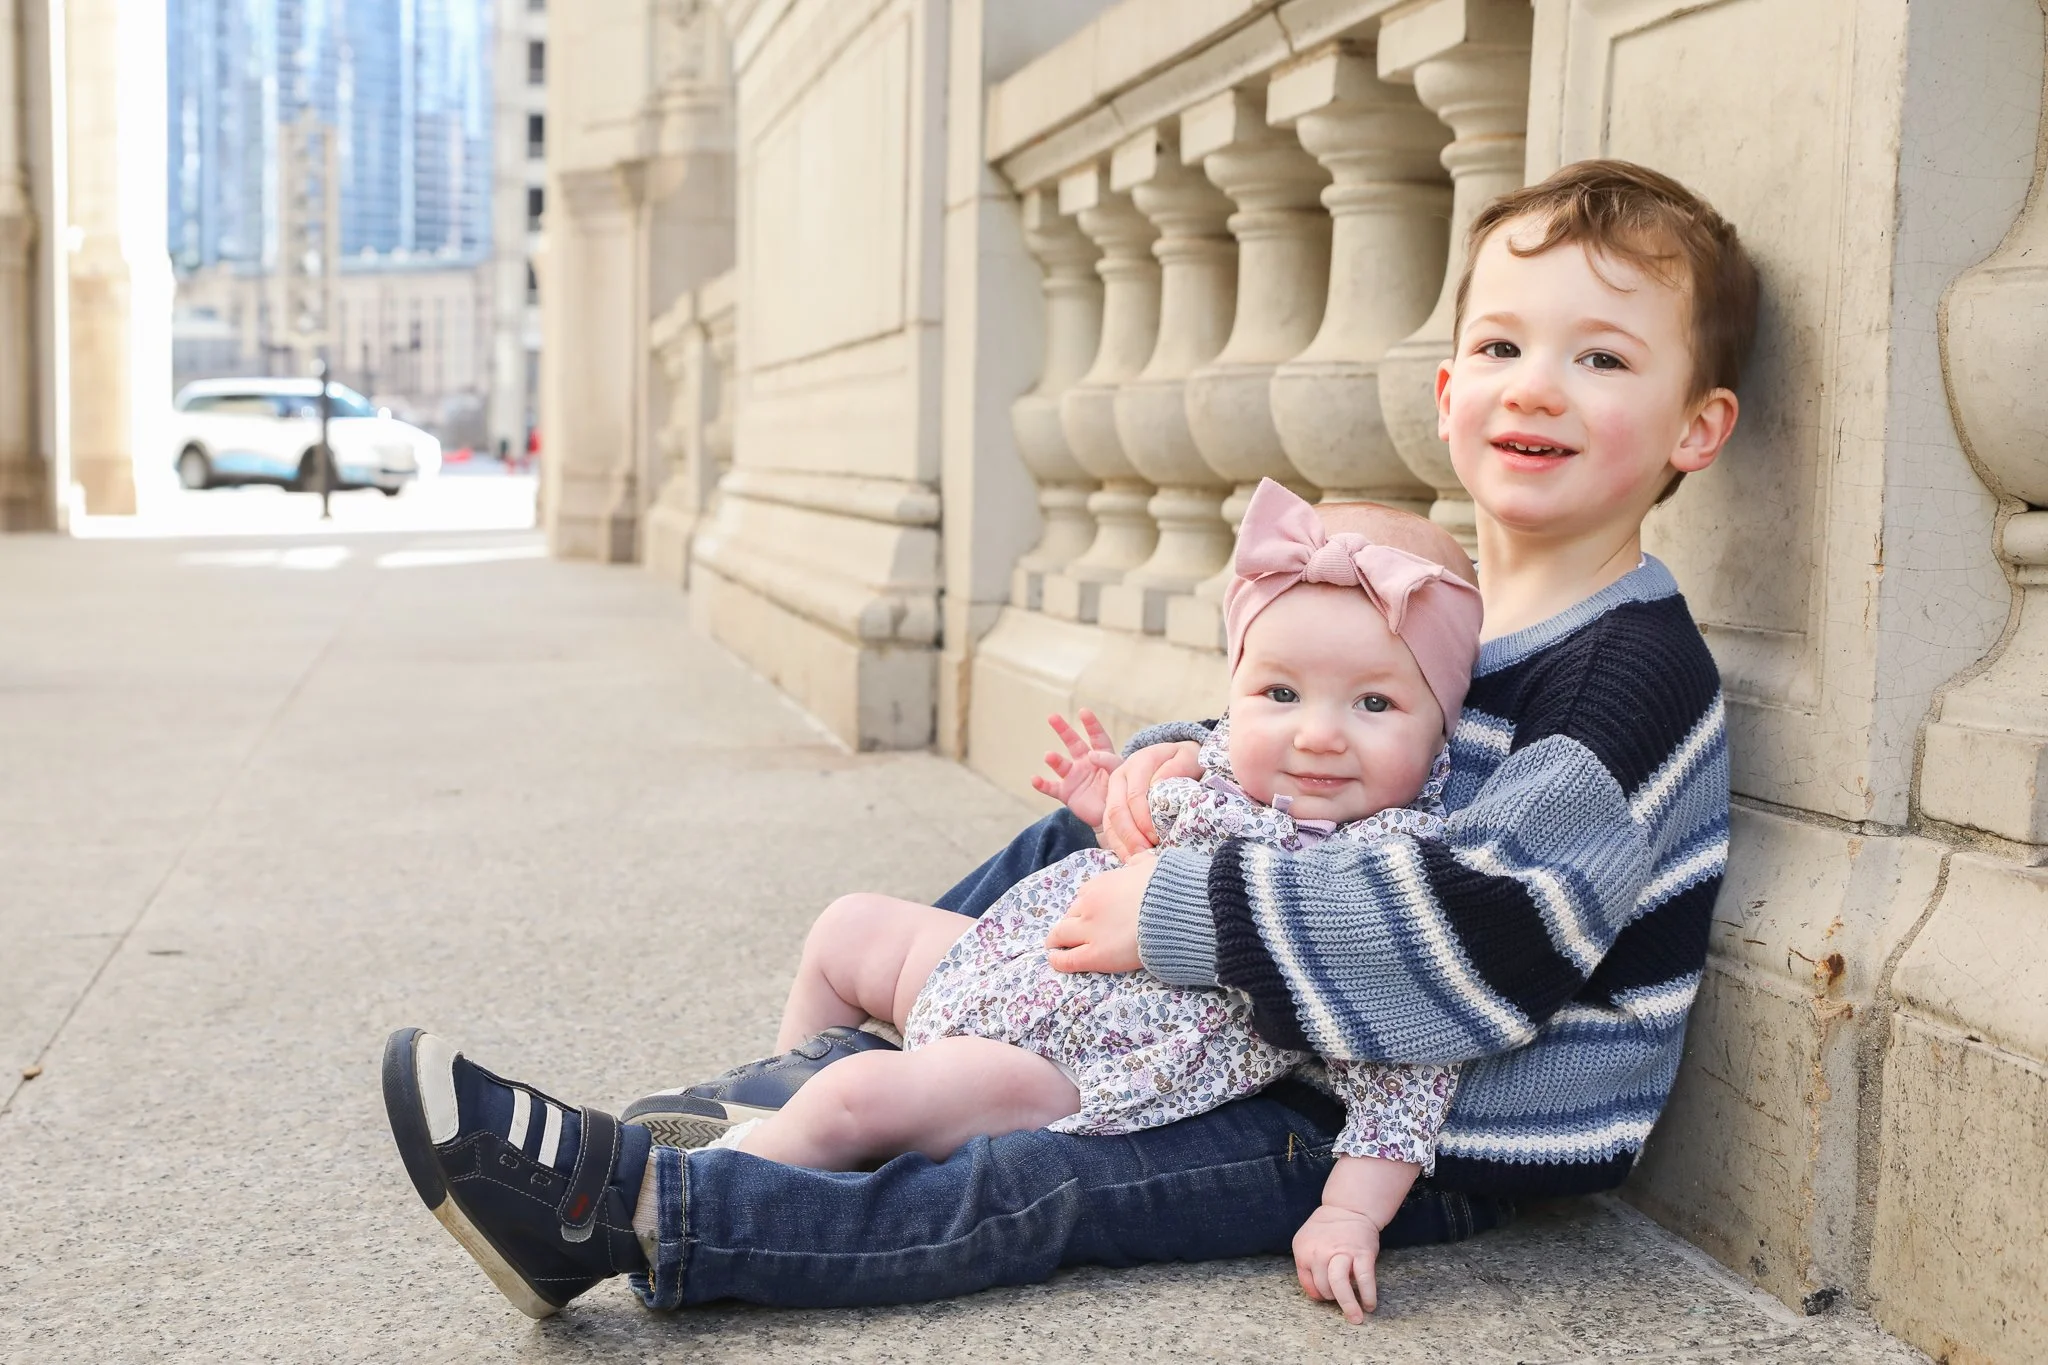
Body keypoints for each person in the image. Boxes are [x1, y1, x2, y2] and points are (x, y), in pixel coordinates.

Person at [379, 158, 1755, 1323]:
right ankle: (805, 1092)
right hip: (1279, 1028)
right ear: (1451, 388)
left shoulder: (1630, 680)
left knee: (1036, 1185)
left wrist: (1191, 903)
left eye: (1602, 358)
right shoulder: (1440, 590)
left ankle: (651, 1220)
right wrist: (1159, 778)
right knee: (1084, 834)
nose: (1539, 389)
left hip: (1417, 1126)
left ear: (1697, 429)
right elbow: (1278, 731)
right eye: (1506, 349)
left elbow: (1484, 947)